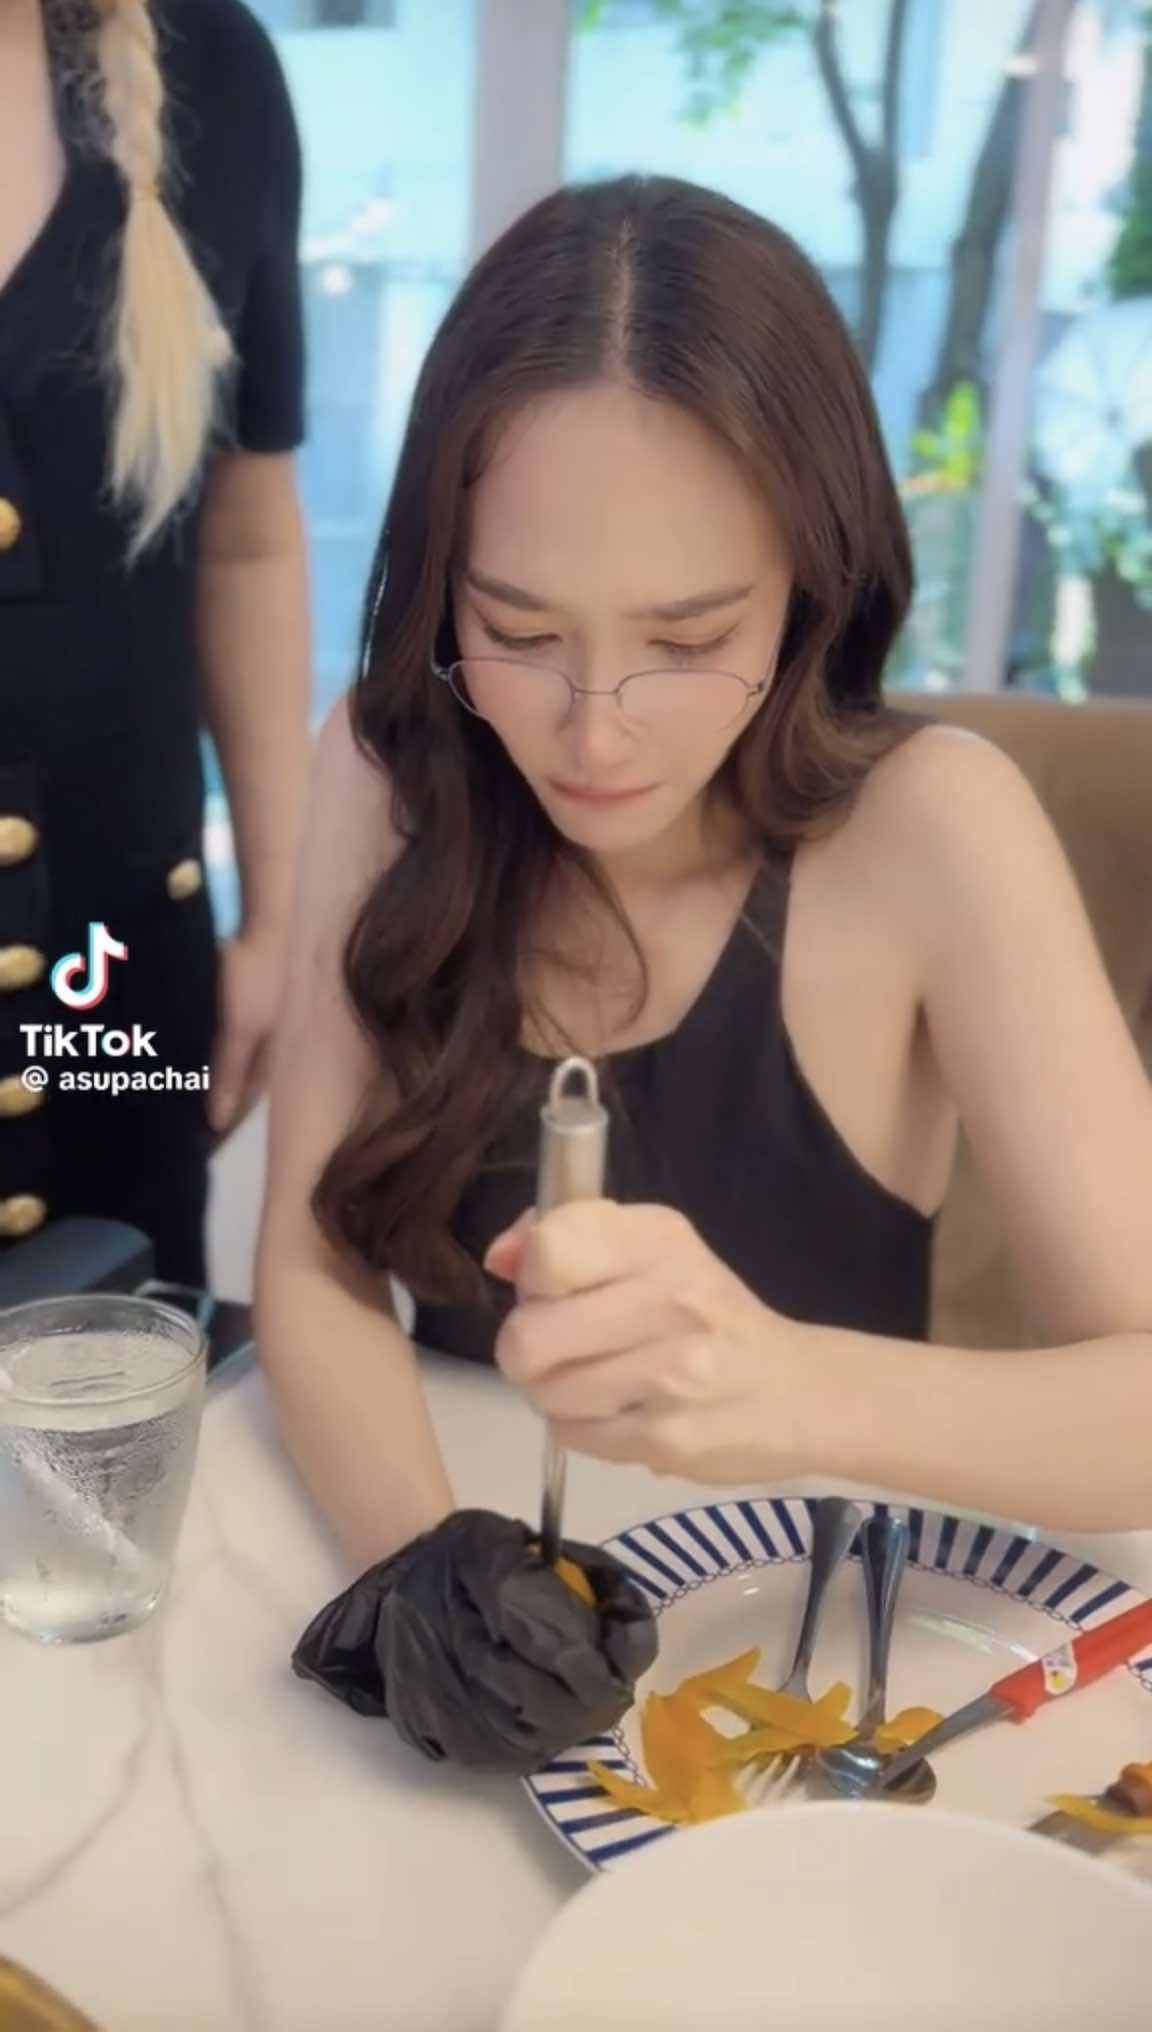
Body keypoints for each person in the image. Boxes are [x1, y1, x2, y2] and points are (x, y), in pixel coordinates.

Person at [254, 175, 1152, 1571]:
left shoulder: (933, 828)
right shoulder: (389, 773)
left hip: (809, 1630)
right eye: (519, 632)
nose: (594, 735)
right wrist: (437, 1572)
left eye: (685, 642)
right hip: (480, 1549)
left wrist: (785, 1388)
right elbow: (312, 1268)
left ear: (811, 586)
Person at [0, 0, 311, 1286]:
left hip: (115, 976)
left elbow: (247, 540)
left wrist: (281, 922)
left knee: (117, 1379)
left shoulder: (211, 65)